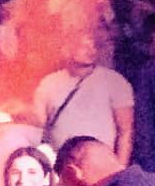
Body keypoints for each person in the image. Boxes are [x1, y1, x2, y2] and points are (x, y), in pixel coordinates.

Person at [34, 30, 134, 163]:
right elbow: (39, 124)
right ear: (67, 49)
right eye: (83, 46)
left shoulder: (114, 81)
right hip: (60, 163)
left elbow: (125, 132)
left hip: (100, 164)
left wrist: (121, 168)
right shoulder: (49, 83)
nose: (91, 50)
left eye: (93, 46)